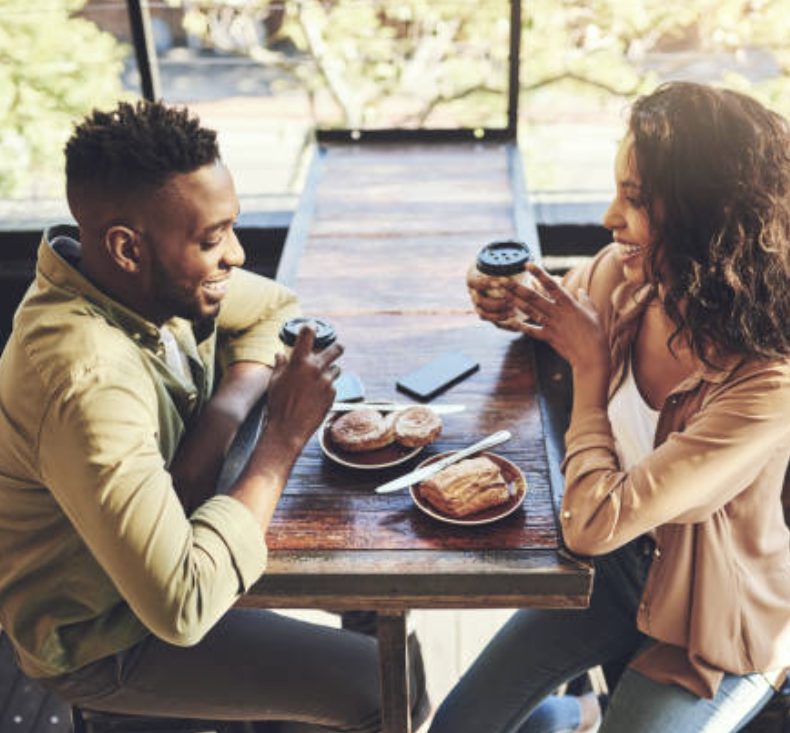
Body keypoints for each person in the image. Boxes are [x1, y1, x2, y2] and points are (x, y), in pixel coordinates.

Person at [0, 100, 428, 732]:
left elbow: (274, 307)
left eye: (230, 227)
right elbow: (182, 605)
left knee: (375, 607)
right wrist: (281, 436)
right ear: (126, 247)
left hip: (173, 551)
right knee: (391, 689)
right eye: (211, 238)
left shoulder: (138, 286)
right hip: (105, 635)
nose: (235, 253)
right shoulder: (86, 379)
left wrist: (219, 420)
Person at [429, 81, 790, 733]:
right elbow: (559, 315)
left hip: (713, 625)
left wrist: (591, 368)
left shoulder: (768, 383)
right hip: (621, 569)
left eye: (635, 200)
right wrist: (505, 299)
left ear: (705, 223)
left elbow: (591, 524)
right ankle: (582, 710)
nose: (608, 217)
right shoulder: (630, 283)